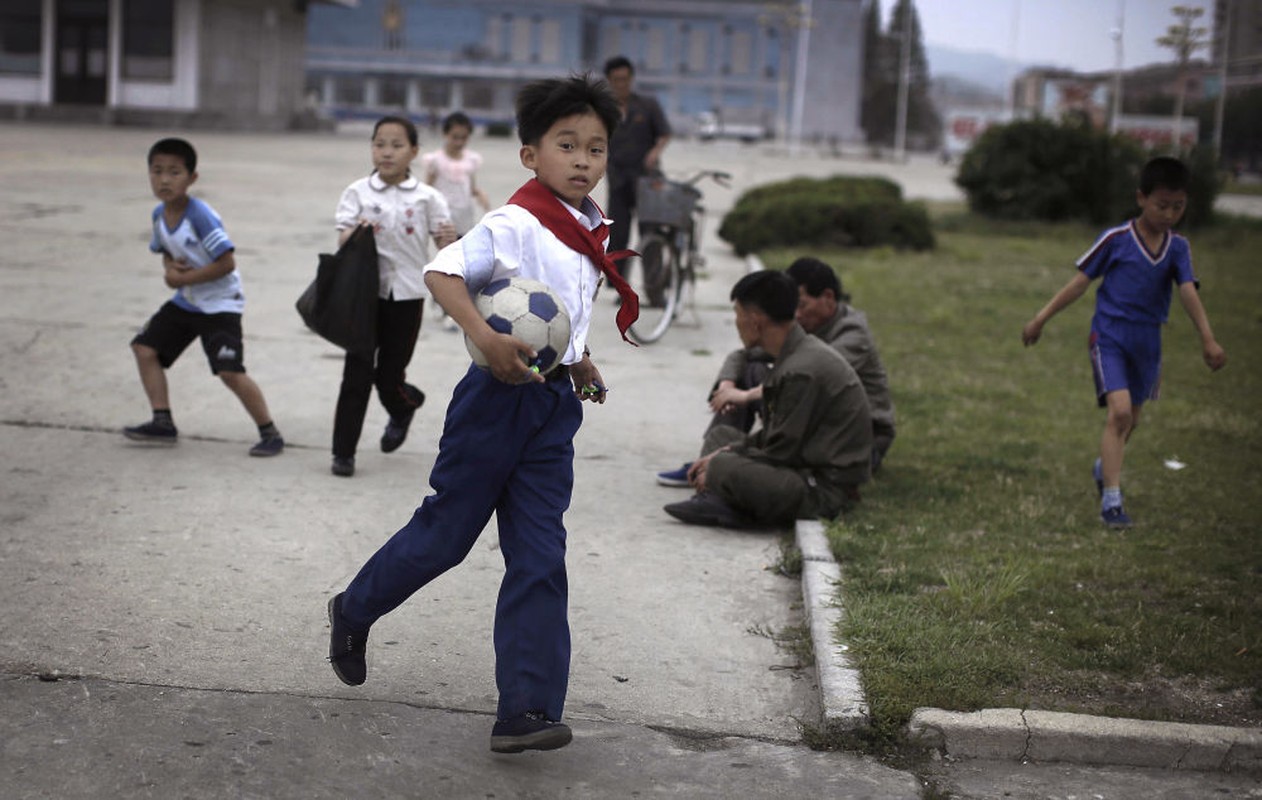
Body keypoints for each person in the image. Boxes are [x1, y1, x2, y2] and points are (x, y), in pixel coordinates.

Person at [326, 74, 640, 754]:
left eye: (595, 148)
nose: (584, 160)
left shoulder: (587, 227)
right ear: (530, 155)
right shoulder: (515, 221)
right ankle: (353, 609)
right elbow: (443, 273)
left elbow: (557, 310)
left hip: (552, 410)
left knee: (540, 555)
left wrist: (578, 359)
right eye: (567, 145)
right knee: (447, 535)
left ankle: (525, 711)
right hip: (494, 403)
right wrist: (488, 337)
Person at [1022, 155, 1226, 528]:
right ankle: (1112, 503)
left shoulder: (1178, 248)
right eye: (1161, 205)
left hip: (1148, 344)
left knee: (1131, 419)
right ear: (1141, 198)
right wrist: (1040, 319)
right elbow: (1080, 283)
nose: (1168, 214)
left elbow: (1188, 293)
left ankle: (1104, 467)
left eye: (1177, 207)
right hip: (1109, 338)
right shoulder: (1116, 241)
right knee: (1117, 414)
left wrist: (1208, 340)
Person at [656, 257, 895, 485]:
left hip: (852, 438)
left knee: (774, 462)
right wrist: (727, 385)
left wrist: (745, 395)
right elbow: (743, 354)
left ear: (828, 297)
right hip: (811, 415)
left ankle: (725, 465)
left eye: (802, 305)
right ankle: (709, 457)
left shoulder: (852, 336)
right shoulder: (803, 326)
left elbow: (808, 379)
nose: (797, 314)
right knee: (750, 368)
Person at [124, 138, 284, 458]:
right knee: (145, 348)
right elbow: (167, 254)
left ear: (192, 178)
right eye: (157, 171)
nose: (165, 180)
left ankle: (270, 432)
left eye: (174, 172)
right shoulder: (159, 215)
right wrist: (171, 271)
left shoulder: (200, 216)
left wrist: (183, 278)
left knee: (229, 371)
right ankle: (162, 420)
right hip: (188, 301)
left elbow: (226, 262)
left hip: (221, 304)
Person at [330, 115, 457, 477]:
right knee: (356, 371)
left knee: (388, 374)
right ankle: (343, 453)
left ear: (414, 152)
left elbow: (444, 244)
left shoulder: (428, 198)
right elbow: (341, 239)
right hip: (363, 296)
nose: (386, 152)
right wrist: (356, 232)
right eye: (379, 144)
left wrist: (449, 239)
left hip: (408, 295)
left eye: (396, 145)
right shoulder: (357, 192)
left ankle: (404, 407)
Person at [603, 56, 670, 278]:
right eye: (616, 80)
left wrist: (654, 153)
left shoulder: (647, 105)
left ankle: (653, 284)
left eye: (625, 79)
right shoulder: (604, 109)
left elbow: (664, 133)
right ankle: (619, 285)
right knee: (617, 233)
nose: (621, 84)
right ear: (609, 81)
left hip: (645, 179)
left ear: (631, 79)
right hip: (617, 178)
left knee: (650, 231)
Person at [421, 111, 491, 237]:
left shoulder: (471, 159)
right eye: (455, 137)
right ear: (445, 134)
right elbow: (427, 189)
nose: (459, 142)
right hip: (443, 215)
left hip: (464, 216)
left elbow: (471, 188)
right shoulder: (435, 160)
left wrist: (480, 194)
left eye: (464, 138)